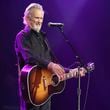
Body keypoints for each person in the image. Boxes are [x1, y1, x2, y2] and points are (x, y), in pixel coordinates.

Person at [15, 3, 86, 110]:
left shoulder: (43, 38)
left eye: (41, 18)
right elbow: (30, 57)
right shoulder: (22, 36)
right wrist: (50, 65)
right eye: (36, 18)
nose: (39, 21)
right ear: (28, 18)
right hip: (32, 89)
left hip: (46, 91)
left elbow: (53, 63)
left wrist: (71, 71)